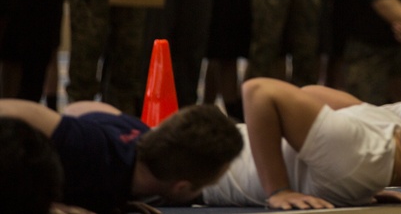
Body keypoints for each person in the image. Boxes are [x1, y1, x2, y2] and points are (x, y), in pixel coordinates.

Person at [201, 77, 401, 209]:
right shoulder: (355, 156)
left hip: (205, 144)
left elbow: (309, 92)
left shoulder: (387, 125)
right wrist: (278, 190)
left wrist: (363, 187)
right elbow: (257, 91)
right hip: (194, 172)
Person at [0, 97, 243, 212]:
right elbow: (21, 111)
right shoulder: (91, 149)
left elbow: (79, 107)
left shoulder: (136, 133)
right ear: (181, 188)